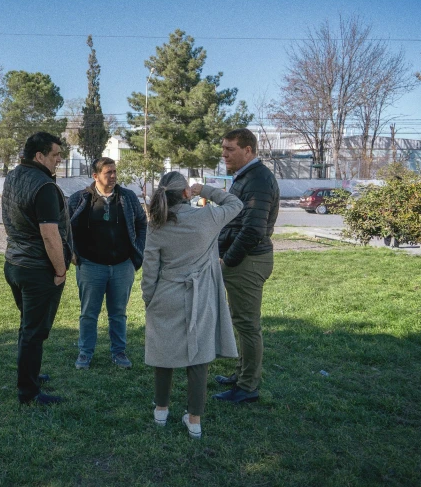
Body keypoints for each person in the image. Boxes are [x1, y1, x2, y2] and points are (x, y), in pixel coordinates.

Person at [141, 171, 242, 438]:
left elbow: (150, 268)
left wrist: (149, 299)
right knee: (198, 358)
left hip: (166, 294)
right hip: (201, 295)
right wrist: (205, 190)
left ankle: (161, 411)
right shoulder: (207, 218)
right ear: (186, 193)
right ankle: (194, 419)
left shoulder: (156, 224)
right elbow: (236, 204)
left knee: (164, 354)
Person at [2, 132, 73, 406]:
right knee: (34, 332)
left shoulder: (13, 176)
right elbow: (49, 235)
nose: (59, 159)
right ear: (39, 156)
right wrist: (60, 270)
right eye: (55, 154)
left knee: (27, 327)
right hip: (37, 270)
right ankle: (28, 392)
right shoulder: (43, 186)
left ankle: (29, 375)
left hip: (14, 264)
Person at [213, 128, 280, 404]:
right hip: (243, 260)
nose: (224, 154)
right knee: (240, 322)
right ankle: (241, 374)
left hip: (247, 261)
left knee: (248, 326)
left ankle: (247, 387)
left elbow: (253, 229)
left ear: (249, 150)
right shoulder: (246, 177)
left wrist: (228, 260)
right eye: (223, 148)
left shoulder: (258, 179)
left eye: (230, 149)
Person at [68, 157, 147, 370]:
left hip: (123, 266)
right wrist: (72, 253)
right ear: (95, 176)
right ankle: (85, 353)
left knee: (118, 313)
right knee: (88, 313)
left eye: (114, 172)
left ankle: (119, 352)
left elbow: (142, 223)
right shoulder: (80, 199)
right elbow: (65, 228)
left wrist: (136, 255)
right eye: (107, 172)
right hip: (90, 266)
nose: (112, 176)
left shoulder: (128, 198)